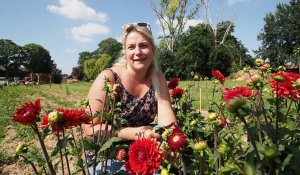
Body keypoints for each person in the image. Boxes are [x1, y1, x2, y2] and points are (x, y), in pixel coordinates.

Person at [83, 22, 176, 174]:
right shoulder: (109, 78)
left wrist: (169, 142)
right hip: (106, 151)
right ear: (125, 52)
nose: (138, 52)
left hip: (142, 148)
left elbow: (167, 120)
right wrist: (134, 133)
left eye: (144, 45)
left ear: (153, 49)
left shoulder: (157, 78)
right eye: (131, 47)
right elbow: (88, 129)